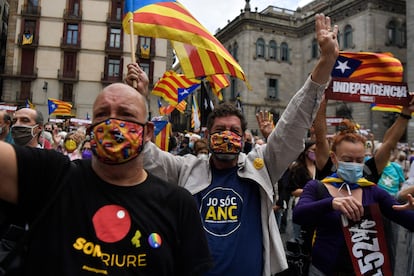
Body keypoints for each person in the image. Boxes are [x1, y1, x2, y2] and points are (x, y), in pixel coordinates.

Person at [126, 13, 340, 275]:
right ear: (207, 136)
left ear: (243, 137)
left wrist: (326, 62)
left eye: (234, 131)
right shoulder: (186, 169)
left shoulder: (262, 166)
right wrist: (138, 99)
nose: (227, 136)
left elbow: (292, 123)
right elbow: (144, 154)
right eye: (220, 130)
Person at [0, 83, 212, 275]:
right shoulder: (54, 176)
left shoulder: (178, 204)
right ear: (90, 128)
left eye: (125, 114)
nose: (112, 123)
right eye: (102, 114)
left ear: (147, 132)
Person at [292, 122, 414, 276]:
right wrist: (331, 203)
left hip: (364, 270)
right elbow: (299, 214)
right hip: (322, 269)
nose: (354, 165)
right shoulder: (317, 187)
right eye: (348, 160)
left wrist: (409, 209)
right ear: (334, 158)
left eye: (360, 160)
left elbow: (404, 217)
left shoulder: (373, 191)